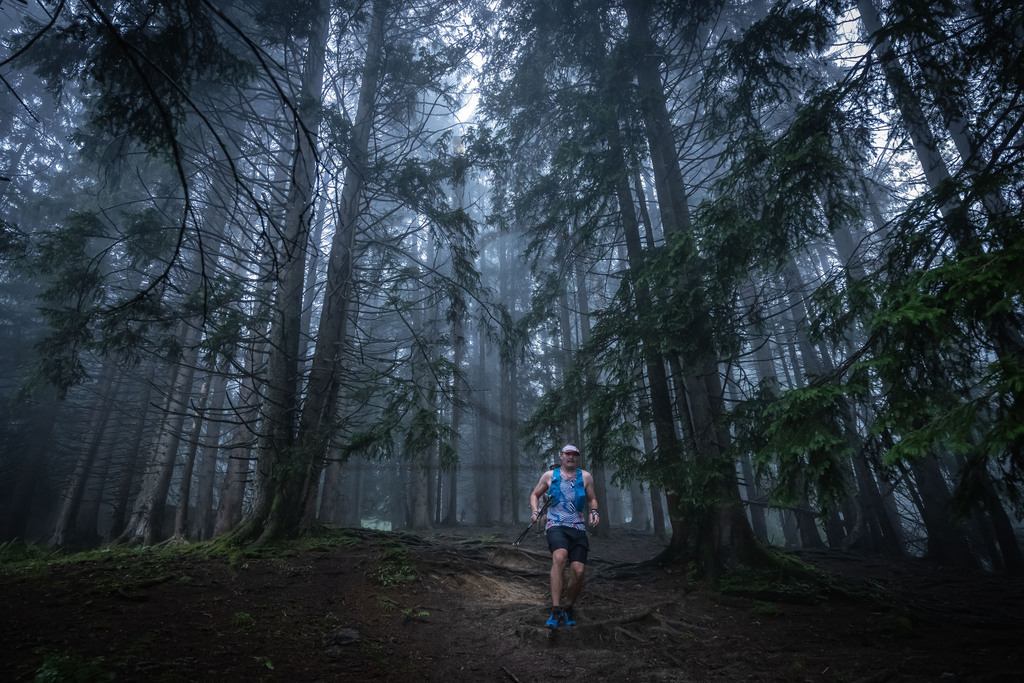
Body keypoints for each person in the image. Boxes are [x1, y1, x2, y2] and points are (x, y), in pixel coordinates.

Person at [529, 443, 599, 629]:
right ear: (561, 456)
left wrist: (594, 512)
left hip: (577, 528)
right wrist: (535, 512)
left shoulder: (585, 477)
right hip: (556, 525)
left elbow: (592, 498)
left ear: (577, 457)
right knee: (559, 557)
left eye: (575, 455)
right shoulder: (550, 476)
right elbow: (535, 494)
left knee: (578, 570)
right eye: (568, 454)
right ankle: (555, 609)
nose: (571, 457)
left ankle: (568, 607)